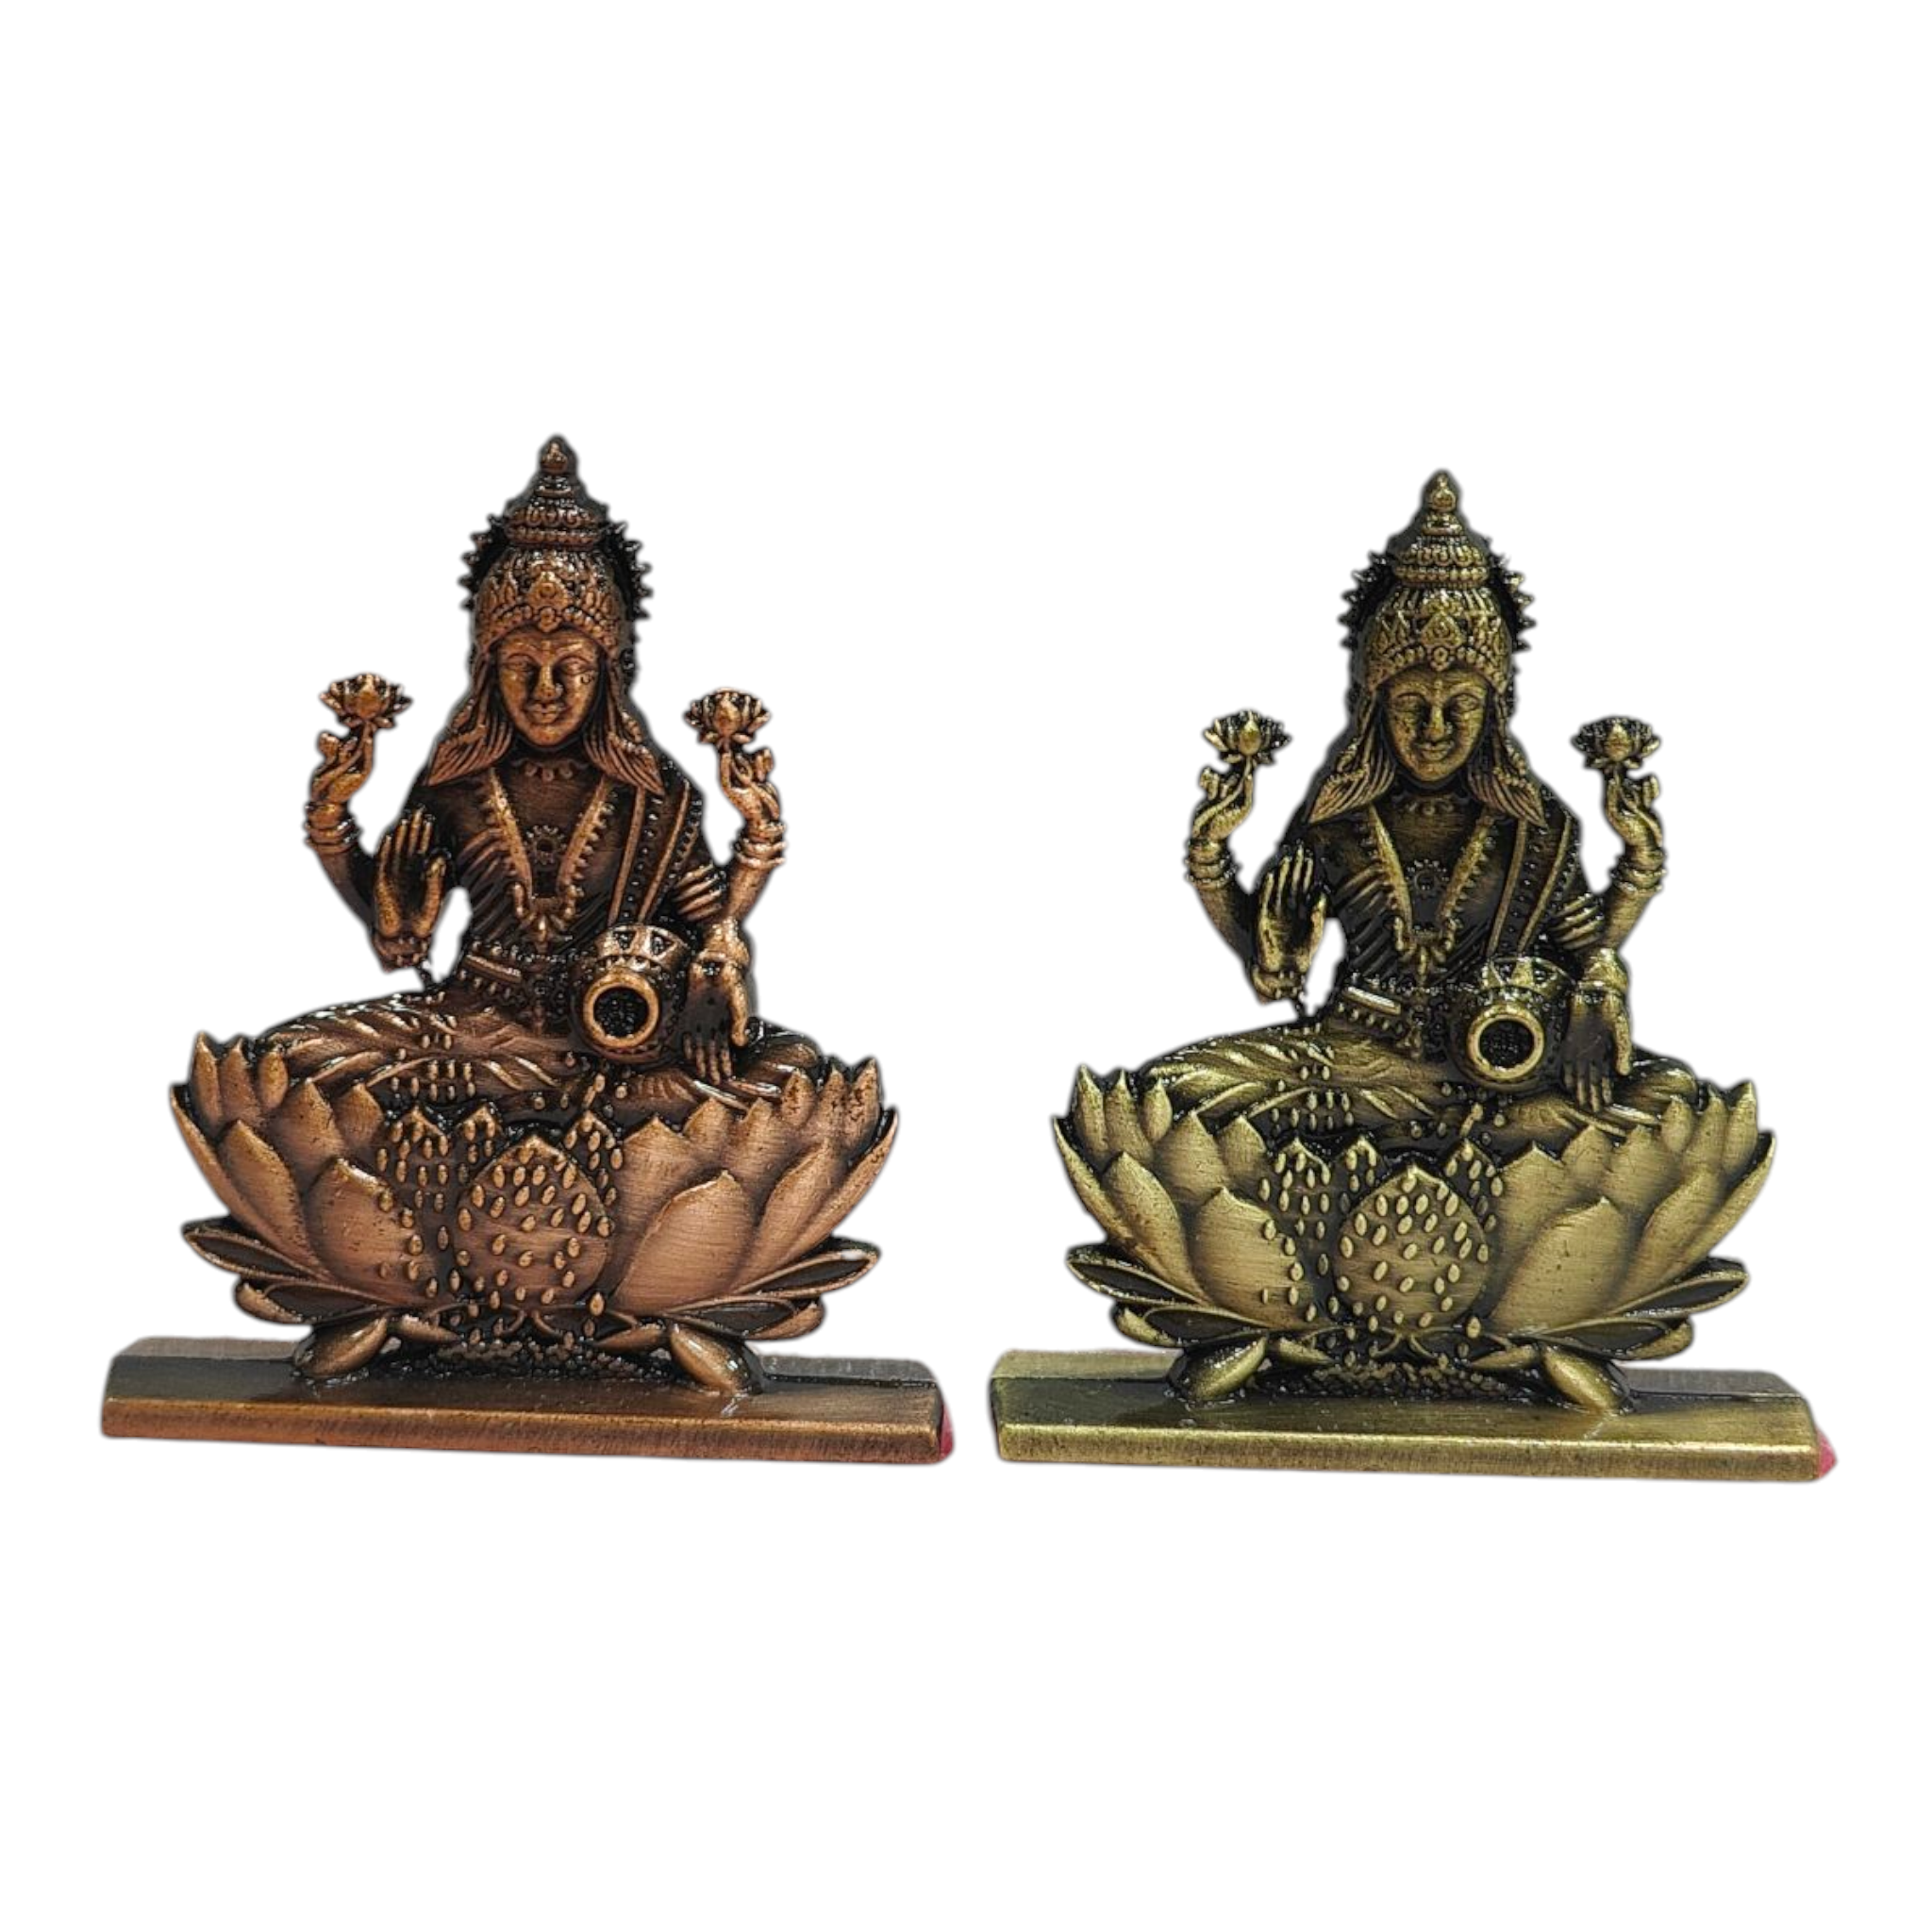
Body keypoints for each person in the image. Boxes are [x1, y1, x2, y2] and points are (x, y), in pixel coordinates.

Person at [266, 437, 817, 1128]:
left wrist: (728, 932)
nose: (546, 690)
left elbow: (710, 923)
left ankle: (522, 1127)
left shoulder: (652, 797)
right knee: (291, 1059)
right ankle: (578, 1132)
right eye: (522, 665)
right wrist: (333, 819)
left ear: (607, 674)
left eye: (572, 668)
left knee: (791, 1070)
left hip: (613, 1028)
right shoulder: (455, 784)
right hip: (467, 1024)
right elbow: (394, 925)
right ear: (487, 670)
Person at [1167, 474, 1692, 1157]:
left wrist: (1623, 915)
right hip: (1347, 1058)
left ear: (1494, 711)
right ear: (1375, 708)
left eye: (1460, 706)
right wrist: (1212, 859)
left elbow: (1585, 947)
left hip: (1493, 1061)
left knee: (1670, 1095)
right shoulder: (1335, 822)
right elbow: (1271, 967)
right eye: (1412, 706)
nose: (1436, 729)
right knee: (1179, 1090)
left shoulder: (1531, 828)